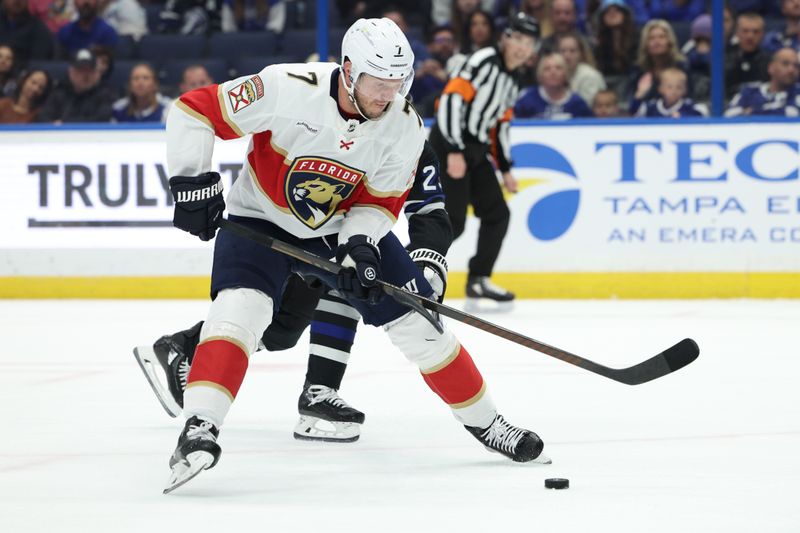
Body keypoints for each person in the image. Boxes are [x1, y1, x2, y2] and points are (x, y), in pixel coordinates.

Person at [159, 17, 548, 493]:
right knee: (241, 313)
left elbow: (380, 201)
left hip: (337, 225)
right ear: (347, 70)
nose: (388, 96)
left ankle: (489, 424)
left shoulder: (404, 125)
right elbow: (193, 110)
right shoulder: (285, 86)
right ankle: (200, 428)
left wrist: (360, 245)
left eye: (397, 84)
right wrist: (191, 182)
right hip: (259, 216)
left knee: (420, 325)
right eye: (378, 84)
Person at [135, 139, 453, 443]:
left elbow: (429, 211)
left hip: (343, 238)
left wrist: (428, 265)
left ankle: (186, 347)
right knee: (322, 297)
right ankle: (318, 390)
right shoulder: (334, 119)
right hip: (297, 229)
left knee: (285, 331)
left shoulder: (409, 139)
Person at [431, 13, 540, 310]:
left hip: (475, 150)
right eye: (517, 38)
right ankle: (412, 269)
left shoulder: (514, 78)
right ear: (505, 38)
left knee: (497, 214)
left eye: (528, 42)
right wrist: (453, 149)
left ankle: (478, 278)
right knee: (454, 220)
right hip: (450, 143)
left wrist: (505, 168)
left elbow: (500, 123)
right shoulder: (484, 61)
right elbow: (451, 99)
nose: (521, 47)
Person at [36, 48, 115, 123]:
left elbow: (102, 120)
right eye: (81, 70)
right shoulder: (60, 92)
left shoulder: (106, 95)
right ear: (71, 72)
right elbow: (43, 117)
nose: (85, 75)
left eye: (89, 70)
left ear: (97, 73)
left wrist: (64, 125)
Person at [628, 19, 688, 115]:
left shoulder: (682, 67)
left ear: (669, 41)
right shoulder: (638, 70)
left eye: (662, 37)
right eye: (651, 38)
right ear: (645, 44)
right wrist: (640, 94)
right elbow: (632, 110)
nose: (657, 41)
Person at [515, 52, 594, 119]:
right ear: (540, 75)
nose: (553, 72)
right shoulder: (527, 99)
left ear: (566, 73)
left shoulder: (578, 103)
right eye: (547, 69)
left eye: (558, 68)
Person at [725, 47, 800, 117]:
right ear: (771, 67)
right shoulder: (750, 91)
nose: (791, 70)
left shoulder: (797, 94)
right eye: (785, 64)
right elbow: (729, 114)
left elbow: (793, 113)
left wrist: (751, 111)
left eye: (796, 66)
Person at [725, 12, 769, 99]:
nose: (750, 36)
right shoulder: (723, 58)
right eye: (745, 31)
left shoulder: (770, 62)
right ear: (737, 32)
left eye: (755, 32)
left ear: (763, 34)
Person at [635, 67, 707, 118]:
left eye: (679, 87)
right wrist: (639, 94)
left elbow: (702, 113)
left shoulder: (688, 106)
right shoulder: (651, 106)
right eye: (669, 87)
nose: (674, 91)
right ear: (660, 89)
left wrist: (684, 117)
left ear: (685, 90)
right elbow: (634, 114)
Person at [557, 31, 606, 105]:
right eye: (563, 51)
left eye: (572, 51)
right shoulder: (560, 75)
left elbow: (587, 108)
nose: (566, 56)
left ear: (581, 54)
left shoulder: (589, 76)